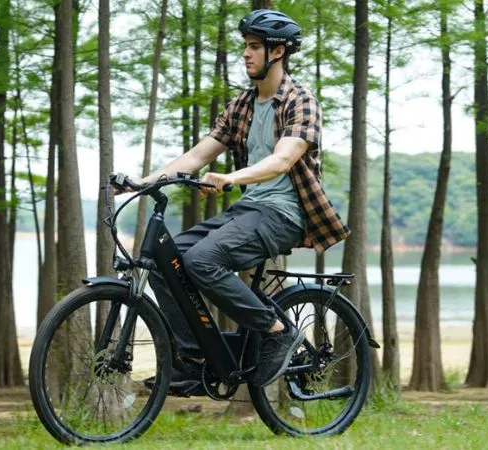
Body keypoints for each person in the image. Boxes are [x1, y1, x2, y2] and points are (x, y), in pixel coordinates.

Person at [120, 9, 349, 395]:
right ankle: (193, 360)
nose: (246, 54)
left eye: (255, 47)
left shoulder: (300, 100)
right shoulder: (242, 105)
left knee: (202, 260)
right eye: (245, 46)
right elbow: (196, 156)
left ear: (278, 52)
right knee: (164, 263)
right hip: (249, 211)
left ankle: (276, 331)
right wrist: (139, 182)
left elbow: (282, 159)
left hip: (286, 213)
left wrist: (230, 178)